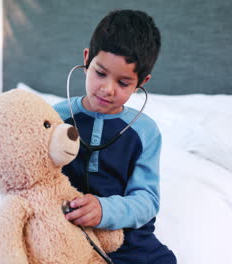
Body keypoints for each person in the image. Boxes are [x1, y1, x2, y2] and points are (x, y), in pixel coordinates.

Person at [54, 9, 176, 264]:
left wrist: (104, 210)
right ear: (87, 60)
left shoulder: (145, 132)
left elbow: (146, 201)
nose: (107, 89)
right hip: (66, 230)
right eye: (100, 73)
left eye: (123, 83)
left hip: (124, 237)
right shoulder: (55, 117)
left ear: (142, 81)